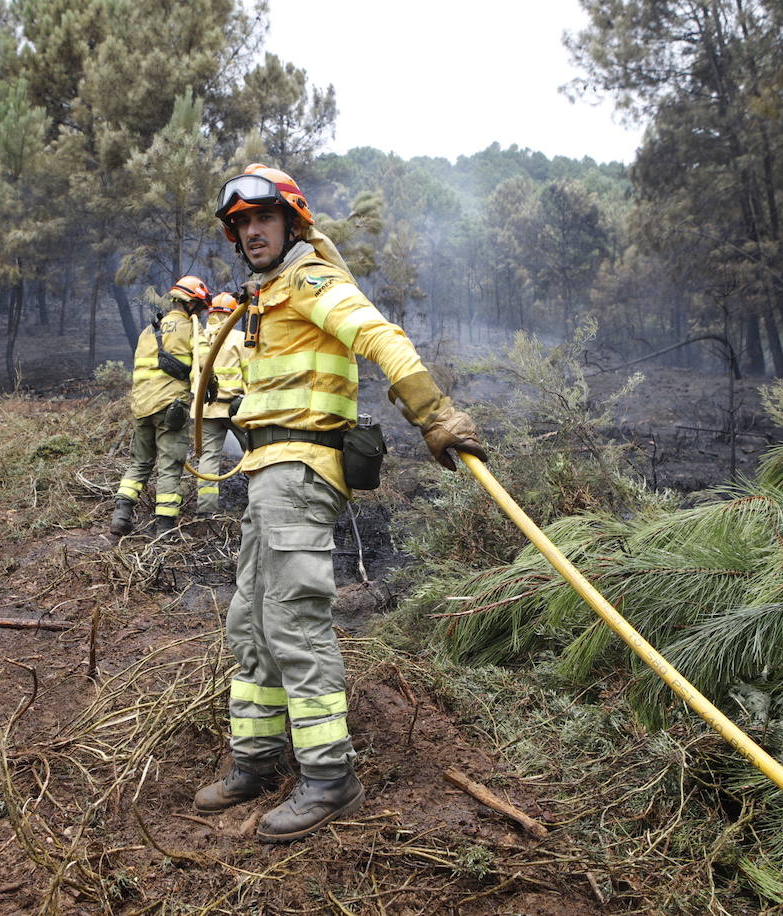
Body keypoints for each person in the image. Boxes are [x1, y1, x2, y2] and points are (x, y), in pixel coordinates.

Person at [194, 164, 486, 842]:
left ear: (291, 222)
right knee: (251, 621)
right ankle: (256, 760)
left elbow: (380, 335)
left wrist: (433, 413)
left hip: (301, 470)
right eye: (240, 224)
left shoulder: (311, 280)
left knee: (293, 621)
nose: (250, 231)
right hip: (267, 472)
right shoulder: (263, 297)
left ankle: (329, 777)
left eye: (262, 218)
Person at [110, 276, 210, 537]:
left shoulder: (147, 331)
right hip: (170, 408)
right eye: (199, 307)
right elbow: (205, 362)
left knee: (140, 463)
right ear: (191, 304)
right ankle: (165, 528)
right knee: (170, 465)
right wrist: (214, 387)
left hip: (142, 407)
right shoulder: (191, 327)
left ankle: (121, 515)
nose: (200, 313)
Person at [189, 291, 247, 517]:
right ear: (233, 313)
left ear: (210, 312)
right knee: (254, 451)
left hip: (205, 409)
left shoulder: (198, 338)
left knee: (208, 458)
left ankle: (206, 509)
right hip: (234, 407)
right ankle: (257, 503)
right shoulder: (239, 338)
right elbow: (250, 374)